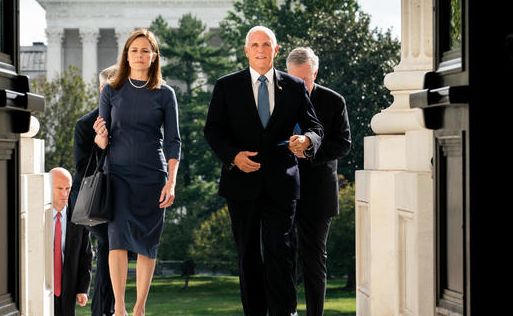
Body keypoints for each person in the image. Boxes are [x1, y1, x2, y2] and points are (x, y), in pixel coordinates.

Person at [204, 26, 324, 316]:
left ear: (276, 50)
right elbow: (213, 131)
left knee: (279, 250)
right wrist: (233, 156)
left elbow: (315, 127)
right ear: (246, 50)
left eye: (266, 44)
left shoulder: (294, 87)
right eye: (255, 45)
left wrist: (306, 140)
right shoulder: (226, 86)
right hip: (241, 182)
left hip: (281, 183)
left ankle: (284, 312)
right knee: (247, 254)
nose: (260, 50)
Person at [93, 29, 181, 316]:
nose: (140, 55)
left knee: (146, 244)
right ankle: (119, 308)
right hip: (117, 175)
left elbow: (173, 141)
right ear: (126, 55)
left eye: (145, 50)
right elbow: (102, 137)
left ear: (154, 56)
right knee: (116, 241)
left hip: (152, 177)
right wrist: (100, 138)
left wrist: (171, 181)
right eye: (134, 50)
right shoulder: (111, 90)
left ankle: (139, 308)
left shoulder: (165, 94)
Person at [286, 47, 351, 316]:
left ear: (316, 71)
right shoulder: (275, 99)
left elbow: (343, 144)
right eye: (293, 79)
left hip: (318, 193)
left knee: (314, 261)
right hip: (282, 189)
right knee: (282, 258)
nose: (300, 85)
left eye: (305, 79)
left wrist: (309, 151)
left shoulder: (334, 101)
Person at [70, 65, 118, 316]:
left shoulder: (128, 121)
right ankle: (104, 311)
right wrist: (100, 146)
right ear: (102, 90)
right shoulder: (85, 124)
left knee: (112, 247)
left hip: (116, 197)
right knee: (111, 243)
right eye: (113, 88)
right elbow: (82, 169)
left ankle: (105, 310)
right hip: (89, 200)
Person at [51, 167, 93, 316]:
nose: (65, 194)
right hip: (43, 288)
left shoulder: (79, 217)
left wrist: (83, 288)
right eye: (59, 188)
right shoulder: (38, 217)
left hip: (68, 288)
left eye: (68, 188)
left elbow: (86, 255)